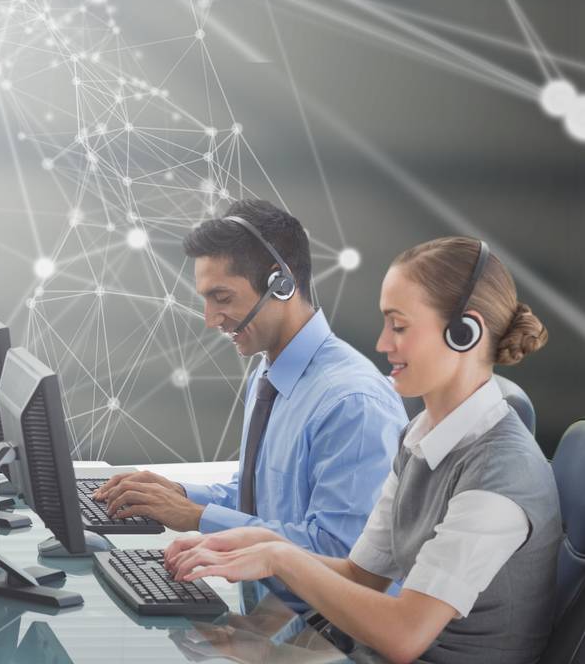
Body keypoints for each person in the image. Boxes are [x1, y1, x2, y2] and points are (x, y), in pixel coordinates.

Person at [170, 236, 559, 664]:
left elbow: (404, 635)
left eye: (400, 326)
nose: (382, 344)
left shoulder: (502, 475)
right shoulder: (422, 438)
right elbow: (361, 576)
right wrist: (261, 550)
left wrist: (279, 557)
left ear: (464, 333)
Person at [96, 200, 405, 586]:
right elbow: (260, 498)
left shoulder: (352, 403)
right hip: (267, 614)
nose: (210, 320)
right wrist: (179, 495)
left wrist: (196, 517)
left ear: (281, 284)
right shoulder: (270, 371)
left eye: (222, 298)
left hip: (327, 637)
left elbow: (342, 555)